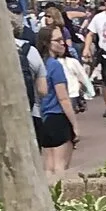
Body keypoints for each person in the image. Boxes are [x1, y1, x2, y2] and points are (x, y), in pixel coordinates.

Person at [33, 25, 80, 179]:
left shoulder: (38, 64)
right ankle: (61, 198)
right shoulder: (55, 65)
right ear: (47, 43)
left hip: (42, 117)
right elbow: (63, 98)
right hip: (58, 116)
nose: (63, 43)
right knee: (61, 166)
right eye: (58, 40)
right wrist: (74, 124)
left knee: (48, 165)